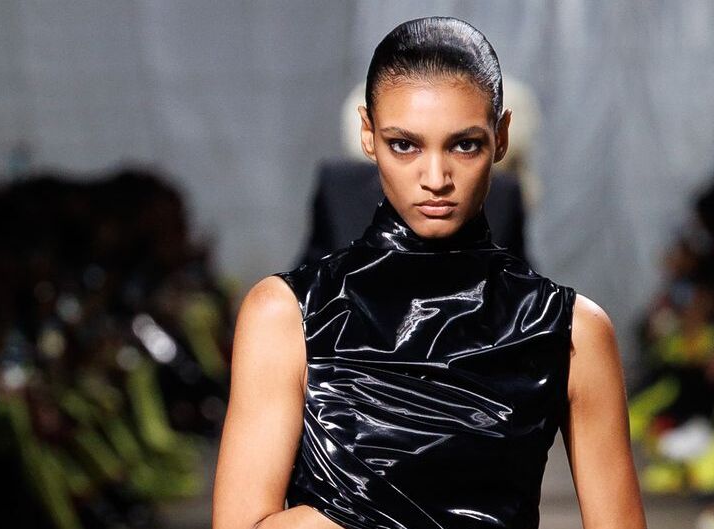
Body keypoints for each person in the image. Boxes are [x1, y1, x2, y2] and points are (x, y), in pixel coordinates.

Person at [213, 16, 646, 529]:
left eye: (464, 144)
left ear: (501, 137)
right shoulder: (286, 315)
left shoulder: (571, 330)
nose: (436, 178)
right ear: (368, 135)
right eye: (405, 144)